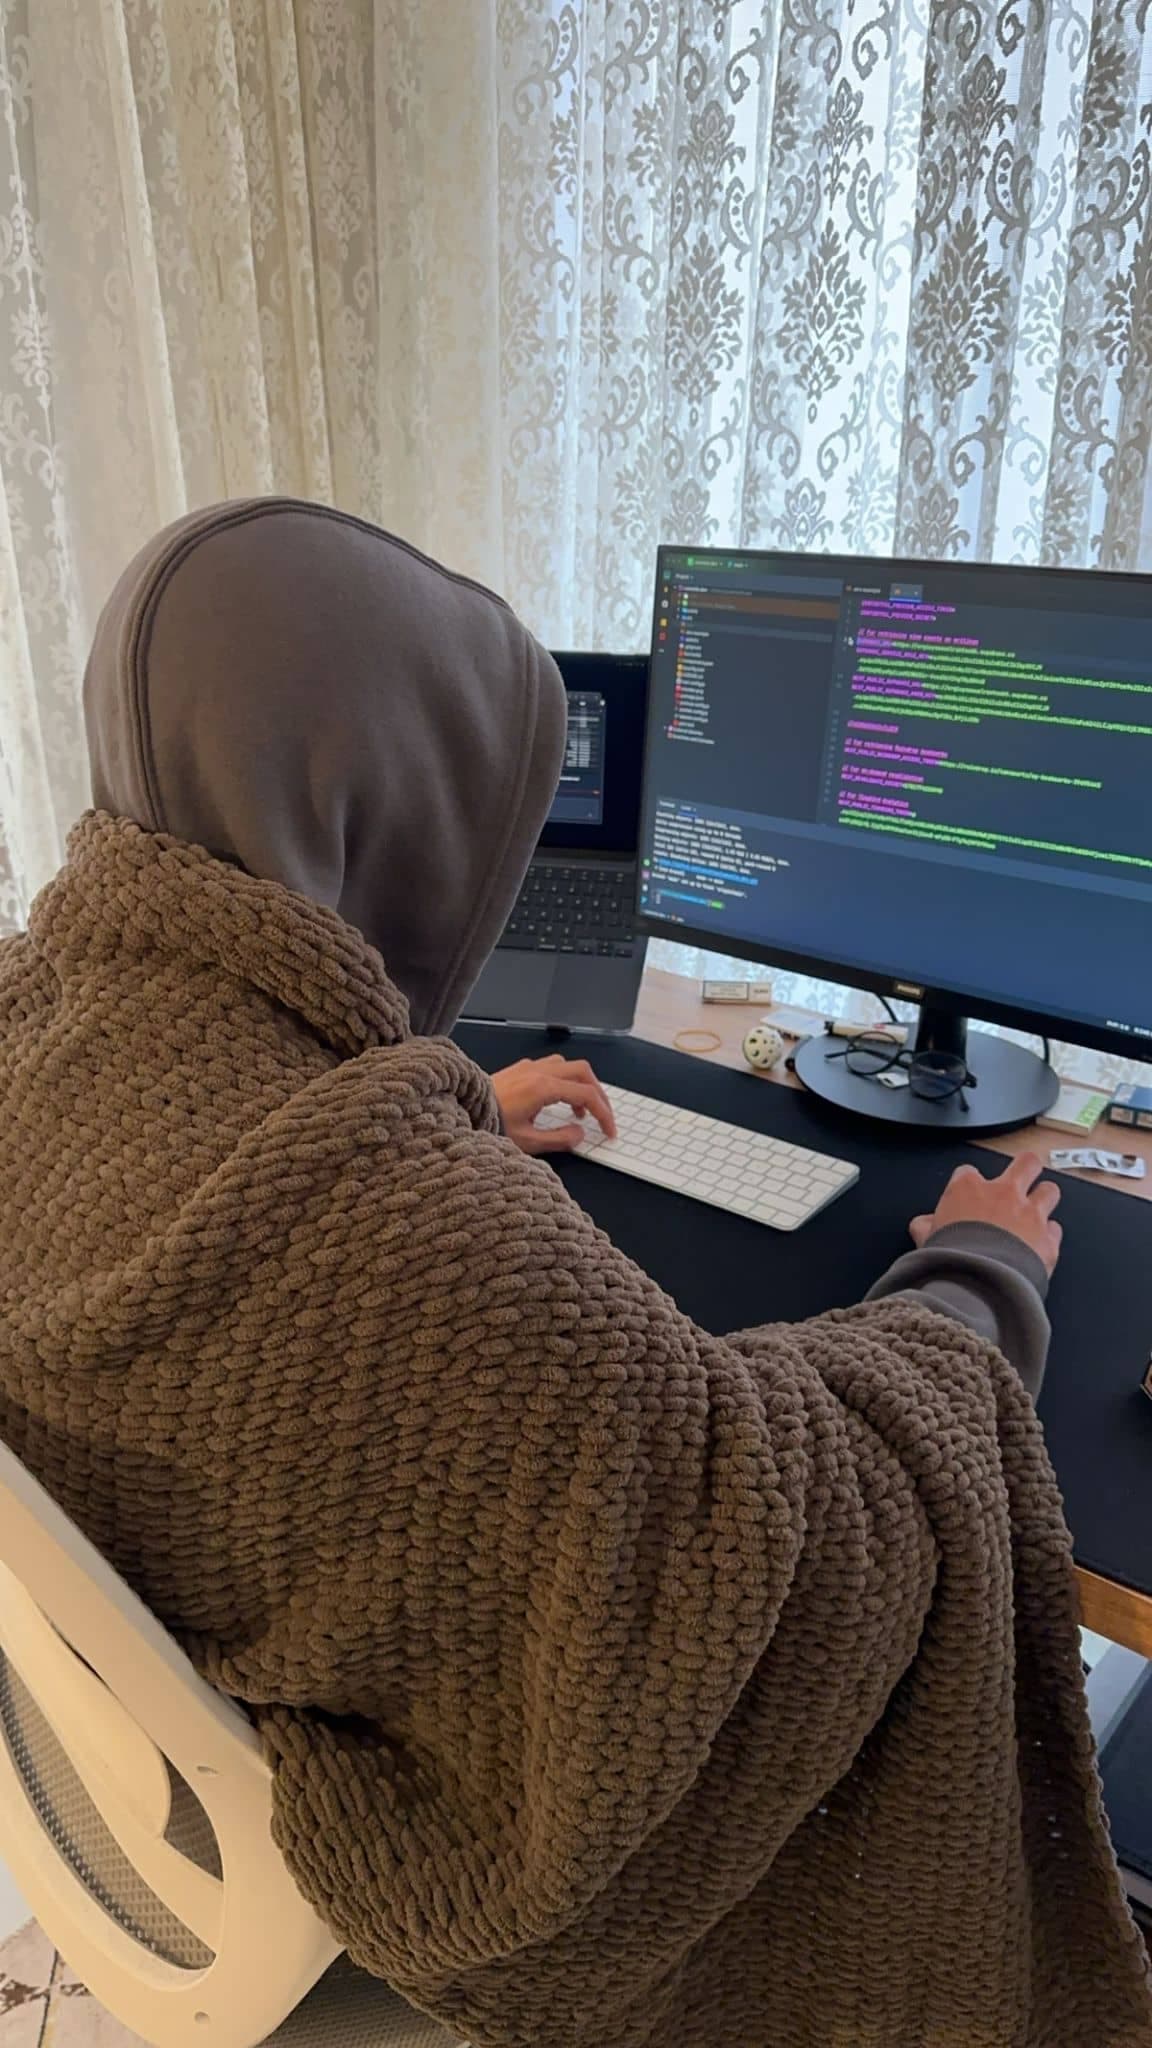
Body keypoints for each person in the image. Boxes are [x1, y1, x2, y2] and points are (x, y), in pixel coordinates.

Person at [0, 500, 1147, 2048]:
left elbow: (236, 1194)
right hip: (456, 1899)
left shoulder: (38, 1028)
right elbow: (800, 1542)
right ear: (395, 807)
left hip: (153, 1793)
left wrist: (451, 1107)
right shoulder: (390, 1245)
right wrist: (979, 1279)